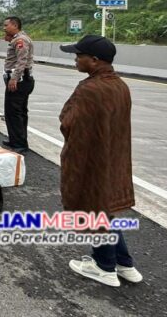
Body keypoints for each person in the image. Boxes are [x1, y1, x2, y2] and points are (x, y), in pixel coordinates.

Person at [58, 35, 141, 287]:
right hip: (113, 156)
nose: (75, 59)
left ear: (94, 60)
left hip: (90, 159)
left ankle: (103, 266)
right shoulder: (120, 85)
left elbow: (67, 121)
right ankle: (124, 263)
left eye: (78, 55)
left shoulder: (89, 89)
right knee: (104, 209)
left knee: (92, 208)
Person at [2, 16, 34, 153]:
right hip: (22, 80)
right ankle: (16, 140)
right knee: (18, 112)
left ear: (14, 25)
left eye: (6, 25)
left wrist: (14, 78)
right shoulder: (18, 39)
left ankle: (19, 143)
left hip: (20, 81)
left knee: (14, 112)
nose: (4, 28)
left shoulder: (20, 40)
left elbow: (22, 61)